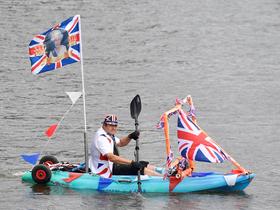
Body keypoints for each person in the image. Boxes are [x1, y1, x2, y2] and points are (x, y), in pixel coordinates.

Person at [89, 114, 161, 178]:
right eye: (111, 125)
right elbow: (112, 158)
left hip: (112, 165)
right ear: (104, 125)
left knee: (142, 164)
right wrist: (132, 163)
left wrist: (130, 136)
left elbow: (120, 143)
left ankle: (164, 173)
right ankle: (164, 180)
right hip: (106, 170)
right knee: (138, 168)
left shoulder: (108, 133)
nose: (114, 128)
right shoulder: (101, 138)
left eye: (115, 125)